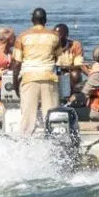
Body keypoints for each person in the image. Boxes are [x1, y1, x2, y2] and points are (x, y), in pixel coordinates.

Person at [16, 8, 64, 136]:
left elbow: (16, 63)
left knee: (27, 116)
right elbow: (58, 56)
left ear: (32, 20)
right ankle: (54, 141)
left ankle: (24, 142)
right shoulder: (54, 36)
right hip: (48, 77)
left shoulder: (22, 36)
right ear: (45, 20)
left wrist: (16, 84)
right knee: (51, 115)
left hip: (29, 78)